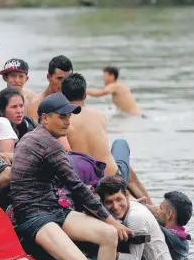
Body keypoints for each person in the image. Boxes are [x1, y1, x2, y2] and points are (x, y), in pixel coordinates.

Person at [10, 93, 132, 260]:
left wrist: (110, 224)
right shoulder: (47, 143)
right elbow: (77, 187)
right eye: (62, 116)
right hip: (34, 216)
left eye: (68, 117)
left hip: (53, 209)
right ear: (45, 118)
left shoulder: (37, 137)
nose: (67, 122)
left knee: (109, 235)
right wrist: (112, 220)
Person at [60, 73, 152, 203]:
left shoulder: (62, 121)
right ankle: (150, 206)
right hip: (113, 181)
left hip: (88, 184)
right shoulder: (99, 115)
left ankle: (136, 202)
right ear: (85, 96)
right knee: (121, 146)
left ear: (63, 97)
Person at [96, 176, 175, 260]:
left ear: (126, 196)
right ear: (102, 203)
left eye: (119, 199)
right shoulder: (130, 207)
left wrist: (105, 252)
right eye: (109, 202)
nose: (115, 206)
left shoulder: (135, 217)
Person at [143, 191, 192, 260]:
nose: (157, 211)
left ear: (169, 213)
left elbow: (147, 236)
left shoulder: (170, 237)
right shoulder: (181, 238)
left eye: (160, 208)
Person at [29, 55, 74, 120]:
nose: (64, 83)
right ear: (48, 77)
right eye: (60, 78)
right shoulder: (36, 105)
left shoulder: (74, 103)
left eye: (68, 79)